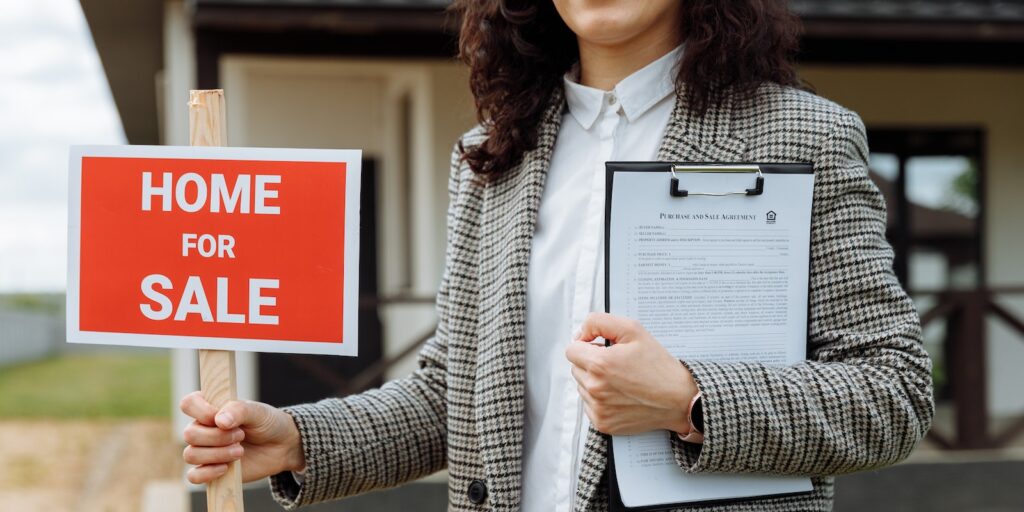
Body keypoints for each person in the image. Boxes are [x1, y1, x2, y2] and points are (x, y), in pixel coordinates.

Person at [179, 1, 934, 510]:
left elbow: (892, 393)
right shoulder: (490, 156)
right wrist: (301, 439)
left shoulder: (802, 137)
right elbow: (458, 392)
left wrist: (688, 399)